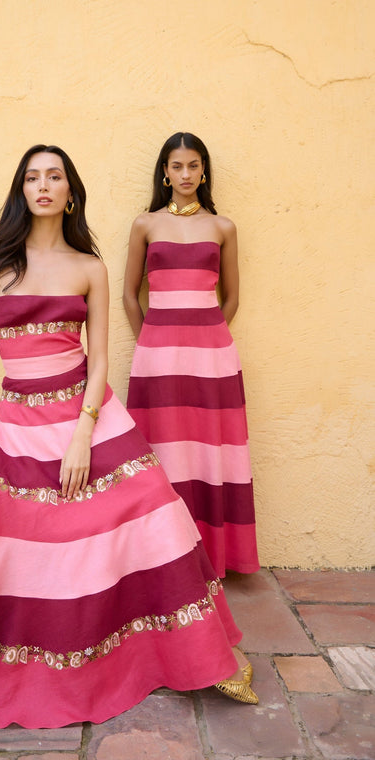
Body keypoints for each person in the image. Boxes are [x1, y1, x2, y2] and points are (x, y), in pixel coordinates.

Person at [0, 143, 258, 729]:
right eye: (32, 177)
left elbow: (98, 362)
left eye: (54, 176)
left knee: (156, 507)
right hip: (23, 420)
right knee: (43, 542)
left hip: (86, 412)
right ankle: (70, 663)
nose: (43, 185)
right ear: (20, 189)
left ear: (70, 191)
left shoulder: (88, 267)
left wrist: (84, 433)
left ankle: (195, 651)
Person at [123, 132, 260, 579]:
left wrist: (208, 339)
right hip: (156, 354)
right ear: (165, 171)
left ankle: (214, 556)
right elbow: (129, 294)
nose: (186, 174)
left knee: (209, 453)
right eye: (177, 166)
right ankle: (162, 556)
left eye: (194, 166)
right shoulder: (146, 224)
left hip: (211, 357)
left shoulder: (223, 228)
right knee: (160, 450)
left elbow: (233, 297)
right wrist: (151, 341)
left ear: (204, 171)